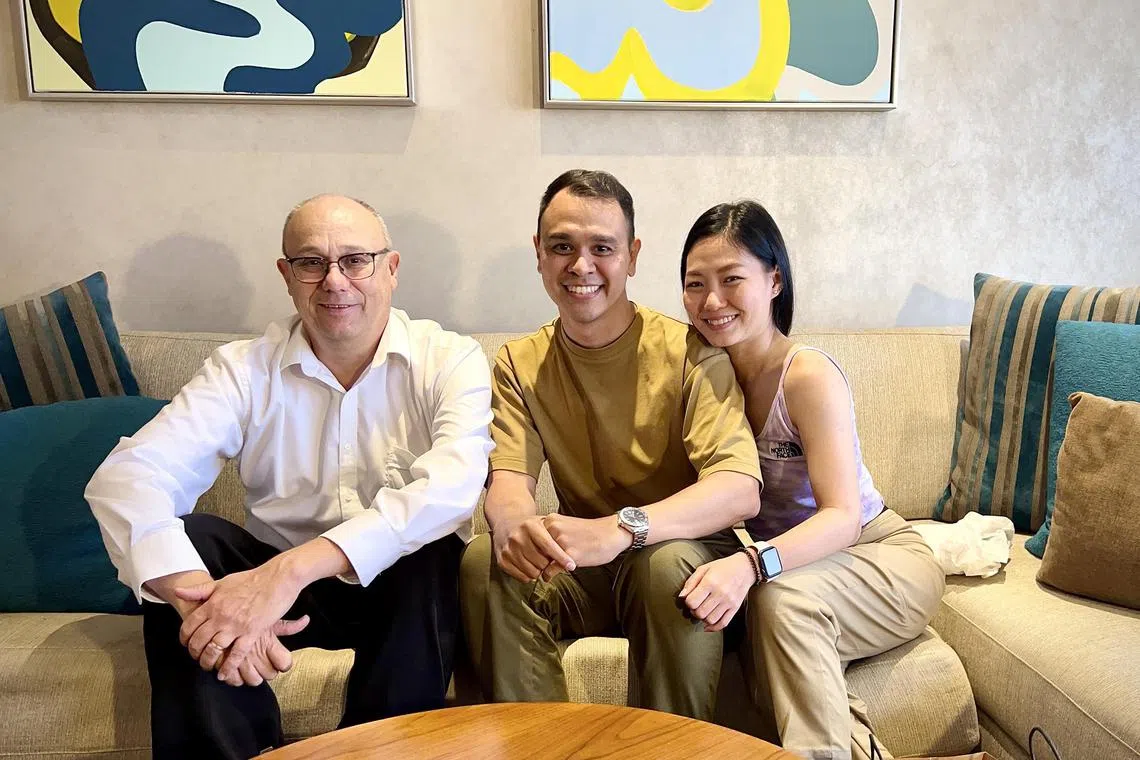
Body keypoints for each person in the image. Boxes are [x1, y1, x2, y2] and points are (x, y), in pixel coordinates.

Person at [85, 194, 494, 760]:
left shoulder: (449, 359)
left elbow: (453, 488)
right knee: (195, 539)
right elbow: (128, 477)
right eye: (311, 262)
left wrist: (287, 573)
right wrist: (205, 610)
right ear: (286, 275)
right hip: (272, 598)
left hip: (399, 598)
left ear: (391, 269)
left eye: (356, 260)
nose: (334, 281)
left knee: (432, 551)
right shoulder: (243, 368)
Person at [459, 170, 763, 720]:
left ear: (633, 255)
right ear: (539, 254)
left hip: (679, 551)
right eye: (562, 247)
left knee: (665, 566)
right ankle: (541, 750)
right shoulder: (518, 363)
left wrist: (621, 529)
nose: (581, 266)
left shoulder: (692, 352)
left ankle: (673, 755)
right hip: (586, 569)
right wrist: (516, 527)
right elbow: (508, 486)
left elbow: (739, 488)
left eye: (602, 247)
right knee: (486, 557)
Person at [677, 200, 946, 760]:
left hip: (881, 554)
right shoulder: (702, 372)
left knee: (782, 602)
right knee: (770, 622)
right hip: (805, 567)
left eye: (732, 280)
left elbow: (842, 516)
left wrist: (750, 564)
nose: (711, 302)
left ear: (774, 279)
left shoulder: (807, 375)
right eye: (695, 283)